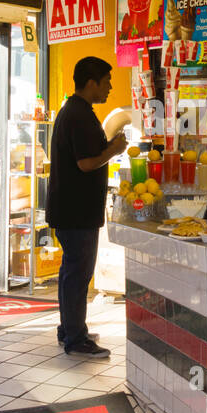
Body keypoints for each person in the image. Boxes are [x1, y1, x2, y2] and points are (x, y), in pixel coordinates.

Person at [48, 56, 126, 358]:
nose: (109, 88)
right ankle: (76, 339)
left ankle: (69, 328)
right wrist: (115, 150)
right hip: (75, 210)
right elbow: (86, 163)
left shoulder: (77, 111)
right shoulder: (78, 115)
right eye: (106, 82)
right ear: (91, 82)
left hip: (73, 209)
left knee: (72, 272)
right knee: (77, 273)